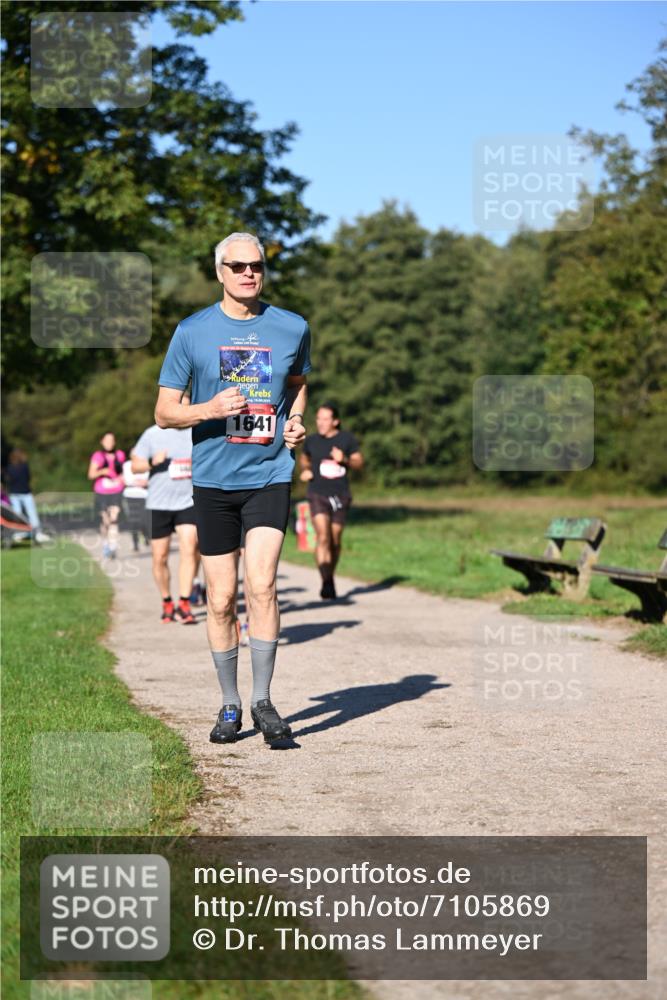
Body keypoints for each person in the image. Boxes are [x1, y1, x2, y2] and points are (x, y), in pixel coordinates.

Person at [154, 231, 309, 745]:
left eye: (256, 266)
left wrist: (296, 422)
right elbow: (164, 412)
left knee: (262, 586)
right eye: (237, 266)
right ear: (219, 272)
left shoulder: (292, 327)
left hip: (269, 473)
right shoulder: (191, 332)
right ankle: (229, 703)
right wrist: (210, 408)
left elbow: (297, 385)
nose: (248, 273)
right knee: (221, 599)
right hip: (214, 481)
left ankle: (263, 701)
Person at [131, 415, 199, 625]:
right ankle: (167, 601)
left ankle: (184, 603)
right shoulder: (152, 434)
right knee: (160, 557)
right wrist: (152, 462)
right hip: (158, 504)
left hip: (188, 501)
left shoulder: (196, 431)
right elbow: (135, 466)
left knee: (190, 548)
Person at [300, 405, 363, 599]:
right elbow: (304, 459)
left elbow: (359, 463)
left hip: (340, 495)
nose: (321, 423)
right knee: (323, 537)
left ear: (335, 421)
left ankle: (330, 576)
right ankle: (326, 581)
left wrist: (344, 459)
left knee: (335, 540)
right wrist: (306, 469)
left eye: (325, 419)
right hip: (317, 493)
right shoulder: (311, 441)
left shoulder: (347, 439)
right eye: (318, 418)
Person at [88, 433, 125, 559]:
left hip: (116, 491)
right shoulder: (98, 456)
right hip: (102, 492)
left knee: (114, 518)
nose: (109, 443)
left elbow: (122, 472)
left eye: (112, 440)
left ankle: (113, 547)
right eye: (107, 440)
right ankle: (105, 544)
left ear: (114, 442)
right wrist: (103, 471)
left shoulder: (120, 455)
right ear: (102, 442)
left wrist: (122, 479)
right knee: (105, 521)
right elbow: (91, 475)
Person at [3, 448, 49, 543]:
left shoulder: (10, 468)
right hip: (25, 493)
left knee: (18, 515)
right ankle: (37, 533)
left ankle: (19, 533)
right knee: (32, 514)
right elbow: (28, 478)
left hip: (15, 494)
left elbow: (8, 481)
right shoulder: (24, 466)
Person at [122, 455, 149, 553]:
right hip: (130, 495)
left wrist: (143, 482)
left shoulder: (145, 463)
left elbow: (147, 480)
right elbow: (127, 480)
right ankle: (135, 543)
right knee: (133, 520)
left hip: (144, 495)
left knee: (144, 519)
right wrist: (137, 482)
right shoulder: (127, 465)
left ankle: (146, 535)